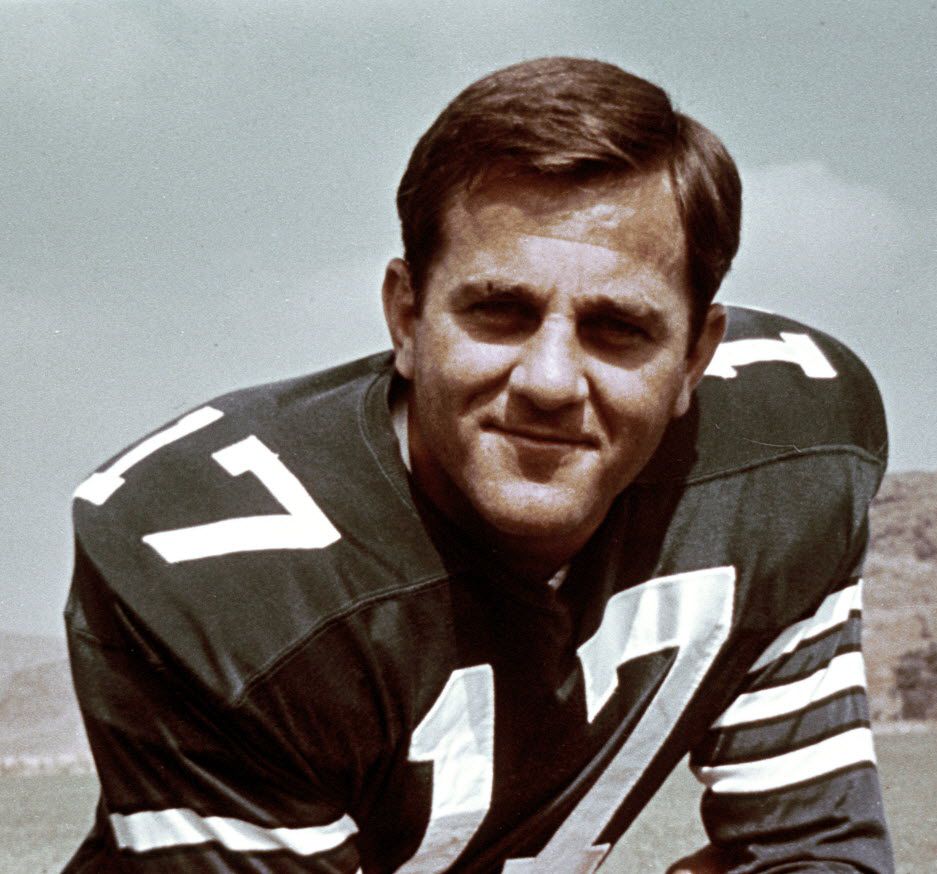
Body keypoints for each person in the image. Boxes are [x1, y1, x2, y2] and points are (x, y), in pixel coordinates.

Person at [63, 57, 894, 873]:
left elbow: (817, 855)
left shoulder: (791, 456)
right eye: (500, 312)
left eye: (618, 330)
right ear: (407, 317)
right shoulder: (220, 568)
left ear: (694, 359)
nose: (550, 381)